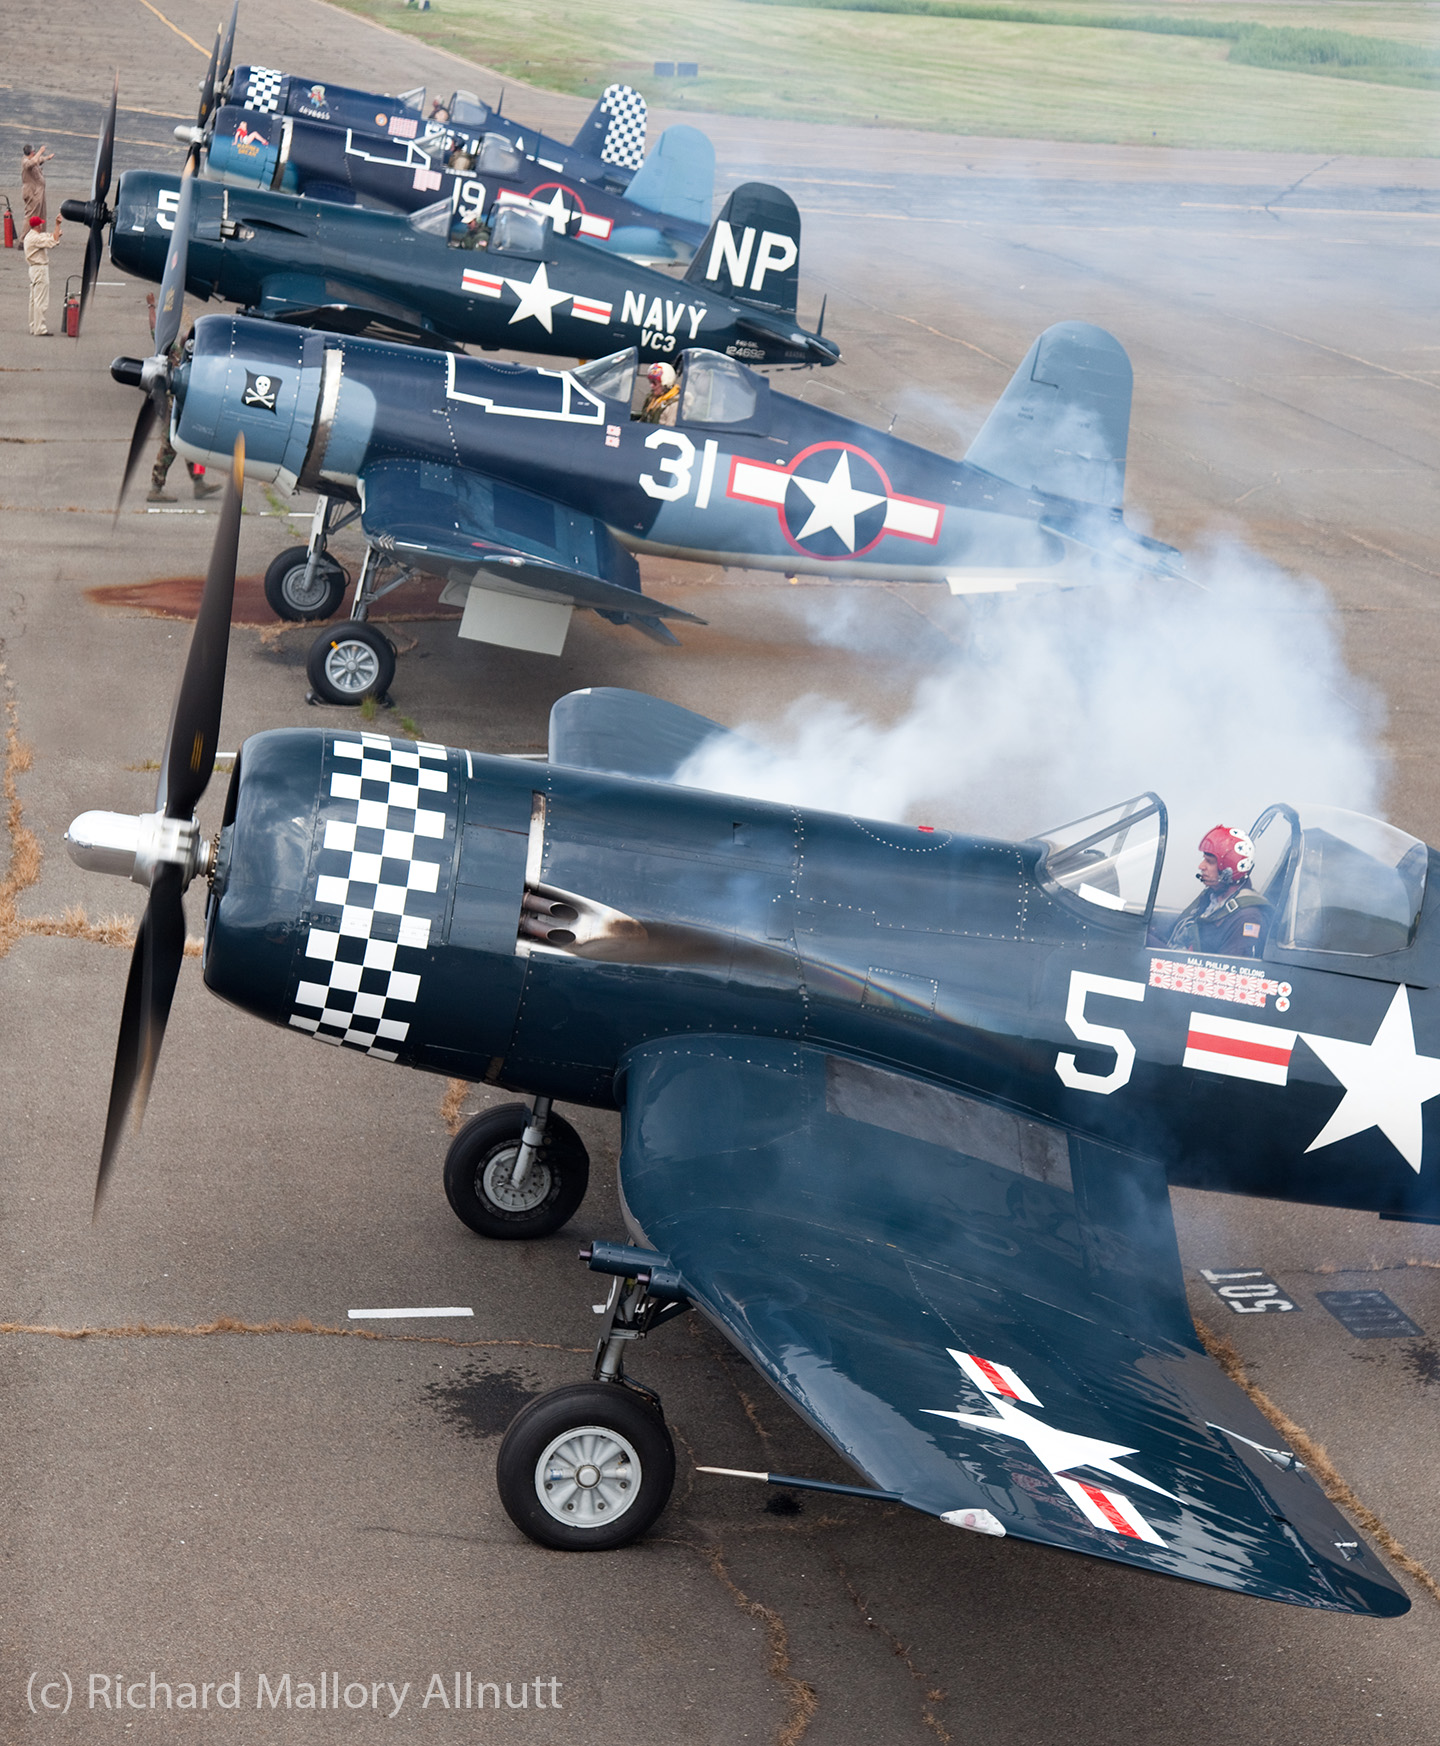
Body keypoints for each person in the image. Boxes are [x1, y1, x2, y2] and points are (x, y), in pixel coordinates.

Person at [145, 292, 221, 502]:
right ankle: (155, 489)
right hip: (171, 408)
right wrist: (151, 307)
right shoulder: (174, 353)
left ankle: (199, 483)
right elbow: (156, 331)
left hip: (188, 410)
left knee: (194, 444)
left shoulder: (199, 361)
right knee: (169, 446)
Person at [1165, 825, 1270, 958]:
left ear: (1229, 870)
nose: (1201, 866)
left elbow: (1229, 971)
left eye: (1209, 862)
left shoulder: (1247, 918)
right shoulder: (1213, 896)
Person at [23, 214, 61, 336]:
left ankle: (34, 326)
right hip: (40, 269)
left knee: (33, 300)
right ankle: (40, 328)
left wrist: (56, 232)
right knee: (41, 300)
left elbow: (50, 236)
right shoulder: (35, 239)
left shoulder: (31, 236)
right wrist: (57, 224)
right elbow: (53, 241)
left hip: (33, 270)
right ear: (39, 225)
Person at [638, 361, 679, 425]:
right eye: (650, 382)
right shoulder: (652, 399)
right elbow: (642, 421)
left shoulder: (674, 405)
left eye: (654, 383)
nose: (651, 386)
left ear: (665, 384)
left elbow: (670, 431)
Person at [21, 143, 53, 224]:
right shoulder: (26, 162)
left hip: (38, 191)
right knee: (32, 215)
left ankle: (39, 233)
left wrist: (47, 158)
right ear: (32, 153)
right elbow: (33, 161)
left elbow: (38, 160)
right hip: (32, 192)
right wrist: (40, 151)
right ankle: (26, 235)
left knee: (40, 214)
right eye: (34, 152)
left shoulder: (33, 159)